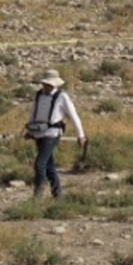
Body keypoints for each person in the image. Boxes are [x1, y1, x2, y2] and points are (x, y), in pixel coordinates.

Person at [24, 69, 86, 198]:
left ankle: (38, 192)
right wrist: (29, 130)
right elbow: (33, 113)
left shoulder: (62, 97)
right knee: (49, 166)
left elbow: (74, 117)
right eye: (45, 84)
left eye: (49, 84)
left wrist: (80, 135)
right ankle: (58, 196)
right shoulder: (38, 95)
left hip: (52, 133)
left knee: (39, 164)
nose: (46, 86)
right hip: (38, 133)